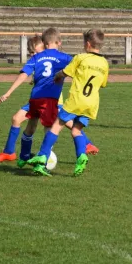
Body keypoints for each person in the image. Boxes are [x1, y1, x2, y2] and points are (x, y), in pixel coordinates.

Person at [0, 28, 80, 166]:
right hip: (41, 98)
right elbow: (77, 66)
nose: (34, 54)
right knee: (32, 124)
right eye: (32, 52)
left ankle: (83, 145)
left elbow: (25, 74)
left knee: (59, 124)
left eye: (35, 51)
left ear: (44, 45)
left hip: (47, 98)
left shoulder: (44, 58)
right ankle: (23, 156)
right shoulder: (56, 57)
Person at [28, 29, 109, 177]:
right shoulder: (104, 63)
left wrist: (57, 76)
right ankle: (81, 157)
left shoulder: (80, 58)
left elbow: (65, 72)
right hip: (91, 104)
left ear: (88, 44)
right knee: (76, 131)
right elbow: (103, 84)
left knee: (55, 126)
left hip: (76, 101)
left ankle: (42, 157)